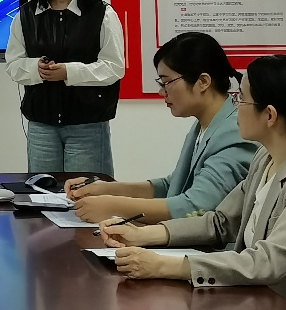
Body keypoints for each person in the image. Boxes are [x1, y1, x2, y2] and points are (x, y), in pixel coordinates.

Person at [100, 54, 286, 310]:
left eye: (241, 99)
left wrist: (163, 266)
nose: (235, 106)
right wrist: (143, 235)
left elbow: (268, 262)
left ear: (269, 115)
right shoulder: (265, 159)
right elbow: (220, 222)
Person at [64, 31, 255, 223]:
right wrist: (106, 189)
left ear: (203, 82)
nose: (162, 91)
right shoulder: (205, 125)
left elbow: (196, 206)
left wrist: (113, 206)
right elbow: (173, 186)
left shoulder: (235, 133)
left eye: (166, 82)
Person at [4, 0, 124, 176]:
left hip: (87, 125)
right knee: (42, 192)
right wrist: (36, 69)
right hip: (41, 126)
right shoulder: (26, 15)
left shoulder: (102, 14)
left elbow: (113, 67)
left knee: (86, 193)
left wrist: (68, 72)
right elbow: (13, 64)